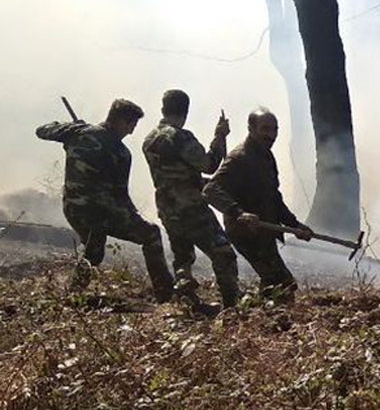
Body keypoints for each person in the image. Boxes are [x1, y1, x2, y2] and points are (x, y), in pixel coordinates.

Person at [35, 99, 175, 301]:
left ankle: (72, 295)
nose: (131, 132)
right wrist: (135, 216)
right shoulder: (120, 152)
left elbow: (42, 130)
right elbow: (121, 196)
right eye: (131, 125)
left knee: (94, 252)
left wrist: (71, 128)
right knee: (151, 234)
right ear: (121, 121)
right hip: (101, 213)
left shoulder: (77, 133)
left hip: (74, 209)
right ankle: (166, 294)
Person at [141, 89, 241, 309]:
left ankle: (185, 299)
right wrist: (220, 136)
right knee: (223, 253)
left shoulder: (149, 140)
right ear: (185, 111)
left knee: (183, 257)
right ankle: (231, 307)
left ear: (162, 108)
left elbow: (176, 173)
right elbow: (210, 164)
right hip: (191, 208)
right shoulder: (180, 137)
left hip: (167, 208)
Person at [202, 109, 312, 301]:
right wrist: (238, 213)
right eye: (265, 129)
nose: (271, 135)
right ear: (251, 129)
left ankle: (257, 315)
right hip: (246, 232)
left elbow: (274, 198)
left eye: (274, 129)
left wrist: (294, 225)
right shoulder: (239, 158)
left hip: (265, 231)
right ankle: (253, 318)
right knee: (283, 284)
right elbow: (211, 190)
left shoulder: (267, 157)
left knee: (274, 284)